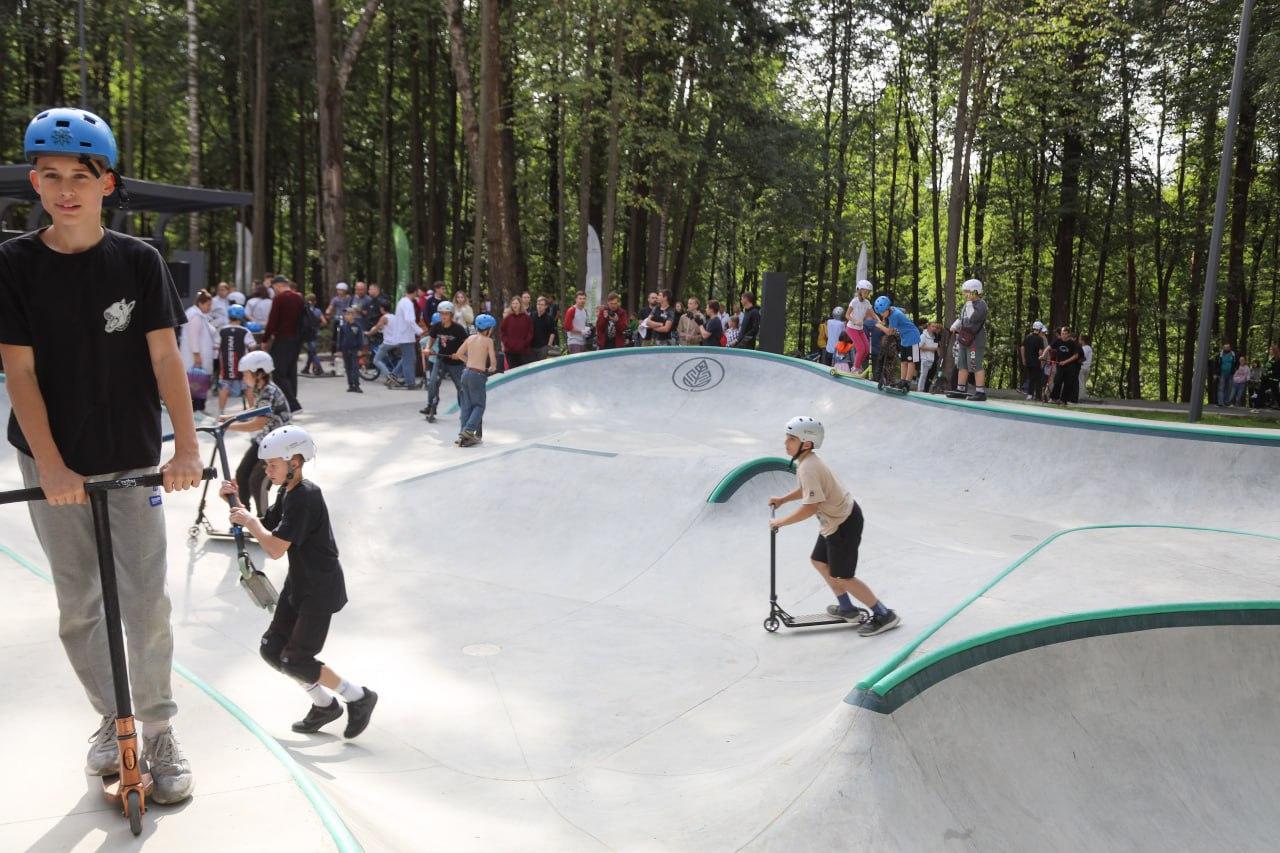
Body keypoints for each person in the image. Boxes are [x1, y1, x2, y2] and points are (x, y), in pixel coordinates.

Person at [0, 106, 206, 804]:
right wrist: (52, 464)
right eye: (51, 176)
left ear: (107, 184)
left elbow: (164, 354)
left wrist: (185, 441)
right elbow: (19, 371)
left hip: (129, 456)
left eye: (80, 177)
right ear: (35, 180)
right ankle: (108, 716)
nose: (65, 190)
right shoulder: (13, 263)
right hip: (49, 458)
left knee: (147, 601)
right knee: (79, 604)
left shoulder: (139, 261)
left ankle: (158, 727)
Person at [220, 425, 377, 738]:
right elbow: (268, 525)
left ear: (295, 461)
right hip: (299, 585)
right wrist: (235, 502)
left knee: (296, 660)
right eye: (267, 465)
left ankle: (358, 696)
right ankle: (323, 705)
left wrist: (249, 522)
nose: (268, 470)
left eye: (273, 465)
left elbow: (275, 548)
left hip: (319, 589)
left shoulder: (306, 496)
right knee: (272, 649)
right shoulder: (287, 492)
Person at [768, 417, 900, 637]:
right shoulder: (806, 463)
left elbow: (811, 507)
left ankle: (884, 614)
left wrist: (781, 521)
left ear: (806, 443)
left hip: (844, 524)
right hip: (834, 522)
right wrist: (783, 499)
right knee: (819, 561)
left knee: (843, 577)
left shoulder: (809, 466)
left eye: (791, 439)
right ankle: (847, 609)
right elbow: (807, 491)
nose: (785, 443)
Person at [224, 350, 292, 515]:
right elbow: (254, 412)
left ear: (259, 373)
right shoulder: (260, 390)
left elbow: (258, 423)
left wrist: (227, 425)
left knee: (257, 481)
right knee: (241, 474)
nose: (244, 378)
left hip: (278, 445)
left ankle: (264, 523)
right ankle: (244, 515)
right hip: (264, 441)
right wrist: (228, 418)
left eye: (246, 374)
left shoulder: (269, 391)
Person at [262, 276, 305, 412]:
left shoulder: (279, 299)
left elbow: (272, 321)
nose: (274, 290)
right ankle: (290, 402)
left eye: (274, 288)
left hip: (282, 339)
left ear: (278, 286)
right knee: (291, 372)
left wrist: (265, 339)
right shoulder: (299, 298)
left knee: (279, 373)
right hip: (296, 340)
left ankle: (293, 404)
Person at [456, 314, 499, 447]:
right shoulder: (488, 341)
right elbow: (493, 363)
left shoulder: (470, 338)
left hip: (466, 373)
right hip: (477, 375)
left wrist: (468, 361)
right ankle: (469, 430)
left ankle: (463, 433)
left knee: (466, 406)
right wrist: (492, 368)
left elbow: (458, 354)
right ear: (488, 329)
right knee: (479, 405)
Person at [422, 301, 467, 422]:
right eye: (441, 313)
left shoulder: (458, 329)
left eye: (446, 314)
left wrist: (459, 354)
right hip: (441, 359)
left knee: (460, 387)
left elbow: (467, 344)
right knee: (432, 382)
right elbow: (431, 339)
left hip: (455, 363)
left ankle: (465, 410)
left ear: (451, 315)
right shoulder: (437, 326)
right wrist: (427, 348)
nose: (443, 316)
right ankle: (431, 406)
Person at [949, 278, 989, 401]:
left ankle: (980, 392)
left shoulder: (981, 304)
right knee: (962, 364)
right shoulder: (968, 304)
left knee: (975, 365)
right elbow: (963, 318)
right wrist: (955, 325)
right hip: (964, 339)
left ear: (974, 291)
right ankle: (960, 389)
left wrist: (969, 304)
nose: (965, 294)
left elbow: (973, 318)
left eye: (967, 291)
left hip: (975, 341)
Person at [377, 282, 422, 388]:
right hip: (406, 336)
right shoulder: (408, 303)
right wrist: (419, 331)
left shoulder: (402, 301)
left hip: (403, 335)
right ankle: (410, 383)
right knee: (409, 360)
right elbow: (410, 319)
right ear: (415, 291)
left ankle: (394, 375)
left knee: (408, 358)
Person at [872, 295, 921, 390]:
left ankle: (907, 382)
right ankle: (902, 380)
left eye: (882, 312)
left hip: (912, 336)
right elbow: (903, 310)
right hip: (904, 338)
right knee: (903, 361)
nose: (881, 314)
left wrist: (879, 326)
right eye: (880, 313)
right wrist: (884, 321)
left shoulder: (894, 315)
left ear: (887, 308)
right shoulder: (892, 310)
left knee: (911, 361)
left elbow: (890, 332)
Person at [181, 291, 217, 411]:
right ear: (201, 304)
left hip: (198, 357)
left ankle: (198, 408)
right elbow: (193, 337)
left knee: (198, 385)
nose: (209, 307)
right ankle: (196, 409)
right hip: (195, 358)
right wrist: (196, 355)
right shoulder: (195, 316)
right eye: (208, 305)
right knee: (196, 385)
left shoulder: (198, 315)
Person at [217, 304, 256, 414]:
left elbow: (216, 346)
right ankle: (252, 411)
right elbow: (252, 346)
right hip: (243, 366)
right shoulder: (245, 331)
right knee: (248, 387)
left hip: (225, 365)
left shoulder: (222, 330)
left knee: (224, 387)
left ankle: (221, 412)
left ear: (229, 316)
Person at [1048, 327, 1083, 406]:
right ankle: (1054, 398)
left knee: (1068, 384)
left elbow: (1077, 356)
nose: (1063, 335)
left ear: (1068, 334)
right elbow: (1049, 347)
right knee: (1057, 381)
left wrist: (1066, 362)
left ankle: (1064, 400)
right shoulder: (1058, 341)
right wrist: (1043, 355)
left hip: (1071, 367)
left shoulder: (1073, 344)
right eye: (1062, 333)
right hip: (1060, 366)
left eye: (1065, 334)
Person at [846, 280, 874, 369]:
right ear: (859, 291)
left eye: (868, 292)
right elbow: (846, 315)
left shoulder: (867, 302)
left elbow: (873, 313)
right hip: (851, 328)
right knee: (861, 349)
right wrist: (855, 321)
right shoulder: (854, 302)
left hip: (860, 329)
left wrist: (879, 320)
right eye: (865, 292)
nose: (866, 294)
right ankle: (855, 368)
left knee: (866, 349)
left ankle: (858, 366)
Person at [336, 307, 365, 393]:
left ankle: (357, 385)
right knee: (348, 367)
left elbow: (360, 338)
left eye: (349, 314)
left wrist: (360, 349)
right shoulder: (343, 327)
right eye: (346, 314)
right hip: (345, 349)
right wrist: (339, 349)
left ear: (354, 315)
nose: (346, 316)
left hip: (354, 349)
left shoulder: (357, 326)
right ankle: (350, 385)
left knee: (355, 367)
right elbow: (340, 338)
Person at [500, 295, 533, 366]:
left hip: (523, 351)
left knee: (523, 372)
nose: (514, 305)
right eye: (513, 303)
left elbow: (530, 333)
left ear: (520, 304)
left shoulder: (527, 318)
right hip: (510, 351)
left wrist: (524, 343)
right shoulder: (507, 318)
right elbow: (502, 332)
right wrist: (507, 343)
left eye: (516, 303)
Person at [1021, 321, 1047, 400]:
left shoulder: (1027, 336)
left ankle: (1033, 395)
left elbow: (1022, 347)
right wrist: (1042, 362)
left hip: (1028, 361)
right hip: (1036, 361)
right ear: (1039, 329)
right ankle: (1032, 395)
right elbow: (1040, 351)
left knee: (1031, 377)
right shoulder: (1040, 339)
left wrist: (1023, 359)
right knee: (1037, 378)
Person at [301, 292, 325, 376]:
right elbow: (324, 322)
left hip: (308, 333)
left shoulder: (305, 310)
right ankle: (306, 368)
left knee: (312, 352)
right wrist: (317, 326)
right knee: (311, 351)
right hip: (316, 332)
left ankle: (319, 368)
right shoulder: (318, 311)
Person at [325, 282, 351, 355]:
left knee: (347, 333)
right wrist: (328, 312)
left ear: (345, 290)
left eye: (341, 290)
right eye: (338, 290)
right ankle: (334, 349)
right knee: (335, 333)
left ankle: (346, 348)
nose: (339, 291)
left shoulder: (349, 298)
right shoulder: (335, 299)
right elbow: (331, 306)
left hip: (347, 318)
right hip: (338, 318)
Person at [530, 295, 557, 360]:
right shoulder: (532, 315)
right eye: (538, 304)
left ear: (546, 306)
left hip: (543, 347)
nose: (539, 306)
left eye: (542, 304)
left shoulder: (549, 318)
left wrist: (549, 346)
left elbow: (552, 332)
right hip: (532, 346)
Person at [918, 321, 940, 392]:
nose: (934, 328)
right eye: (932, 326)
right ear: (928, 327)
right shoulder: (923, 336)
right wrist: (931, 349)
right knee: (923, 375)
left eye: (935, 327)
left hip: (932, 359)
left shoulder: (934, 337)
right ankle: (920, 390)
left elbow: (936, 347)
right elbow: (920, 346)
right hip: (925, 358)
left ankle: (926, 390)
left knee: (929, 376)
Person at [1216, 343, 1238, 407]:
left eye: (1227, 347)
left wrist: (1235, 370)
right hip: (1222, 373)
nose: (1226, 348)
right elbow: (1217, 364)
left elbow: (1236, 363)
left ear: (1230, 348)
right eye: (1225, 347)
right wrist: (1216, 373)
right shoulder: (1220, 354)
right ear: (1223, 348)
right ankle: (1220, 402)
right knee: (1221, 387)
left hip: (1230, 373)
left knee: (1229, 388)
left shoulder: (1233, 354)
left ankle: (1226, 402)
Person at [1078, 333, 1093, 401]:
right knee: (1083, 382)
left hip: (1082, 367)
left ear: (1083, 341)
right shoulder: (1089, 348)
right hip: (1087, 367)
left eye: (1080, 339)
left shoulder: (1084, 348)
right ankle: (1083, 396)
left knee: (1080, 382)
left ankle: (1080, 397)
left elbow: (1081, 358)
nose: (1079, 340)